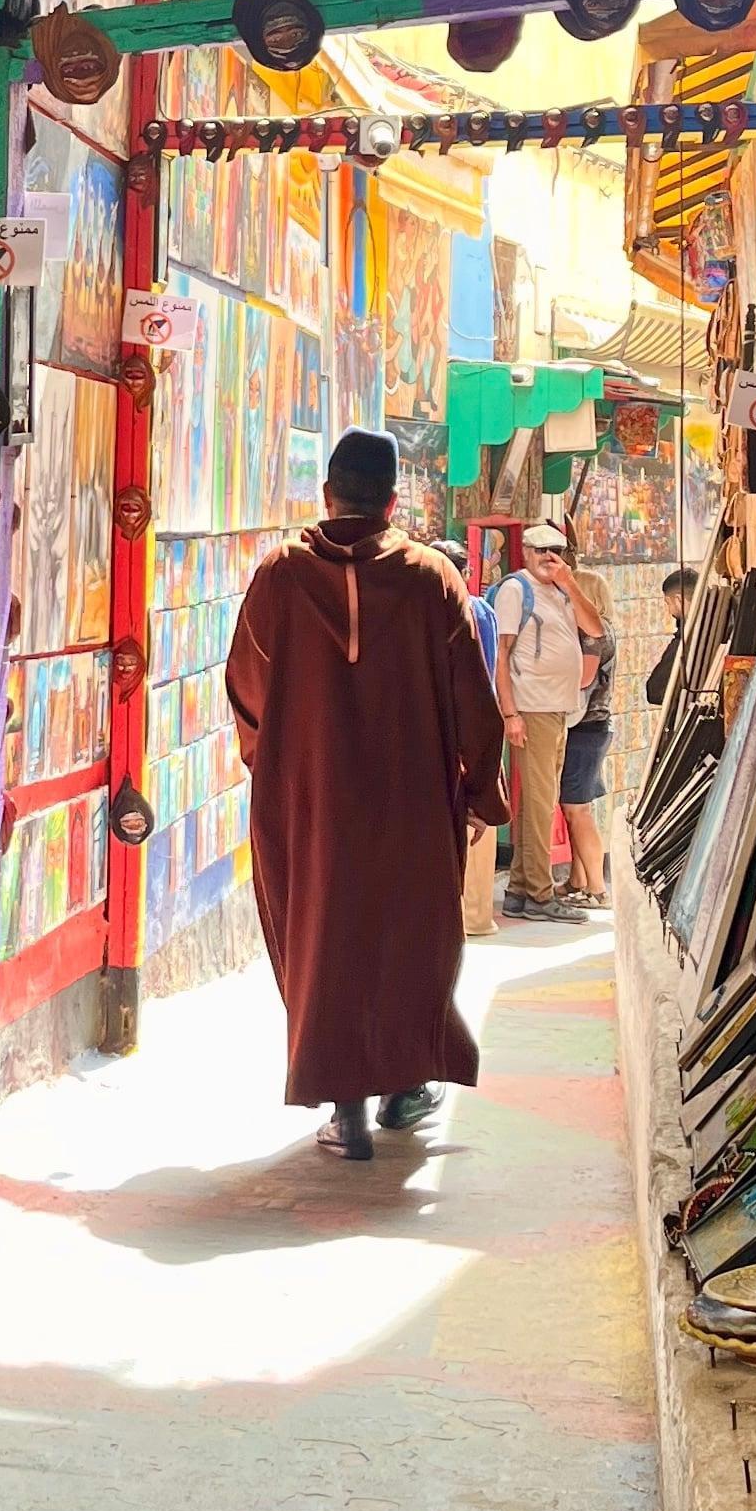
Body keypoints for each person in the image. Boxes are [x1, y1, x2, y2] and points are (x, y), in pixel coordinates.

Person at [225, 428, 507, 1162]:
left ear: (327, 494)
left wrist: (279, 761)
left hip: (311, 801)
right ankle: (403, 1088)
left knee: (326, 939)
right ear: (391, 501)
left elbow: (247, 687)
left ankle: (344, 1110)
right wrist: (480, 791)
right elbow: (474, 701)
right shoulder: (429, 579)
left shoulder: (281, 574)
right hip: (410, 799)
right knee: (409, 937)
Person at [488, 518, 587, 913]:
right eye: (542, 550)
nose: (550, 558)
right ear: (526, 553)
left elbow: (594, 626)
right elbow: (501, 653)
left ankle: (520, 890)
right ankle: (541, 894)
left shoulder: (561, 592)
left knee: (537, 802)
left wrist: (571, 584)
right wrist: (510, 712)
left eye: (556, 551)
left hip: (558, 706)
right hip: (533, 706)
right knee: (542, 802)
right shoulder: (516, 590)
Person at [557, 523, 616, 909]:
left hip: (586, 727)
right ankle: (578, 880)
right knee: (575, 806)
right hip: (592, 728)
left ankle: (596, 887)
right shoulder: (601, 631)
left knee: (577, 810)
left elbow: (583, 679)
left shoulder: (595, 634)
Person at [645, 564, 697, 711]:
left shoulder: (688, 637)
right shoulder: (721, 619)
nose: (669, 611)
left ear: (678, 599)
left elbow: (656, 690)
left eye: (668, 603)